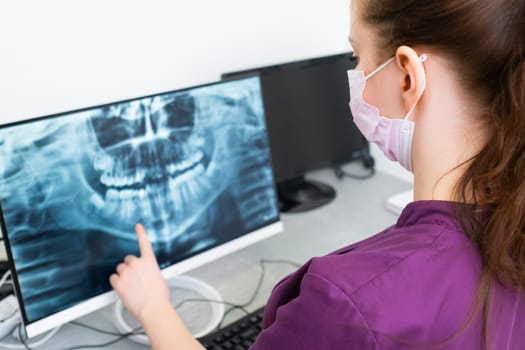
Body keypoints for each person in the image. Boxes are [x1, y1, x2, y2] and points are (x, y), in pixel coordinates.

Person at [110, 0, 525, 348]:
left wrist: (152, 306)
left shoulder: (345, 301)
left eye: (356, 57)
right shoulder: (511, 228)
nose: (355, 74)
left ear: (406, 76)